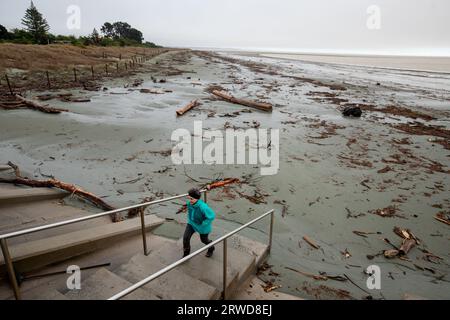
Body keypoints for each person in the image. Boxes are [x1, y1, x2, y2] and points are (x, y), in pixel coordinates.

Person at [183, 187, 216, 258]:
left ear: (197, 199)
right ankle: (186, 254)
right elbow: (190, 211)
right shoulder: (189, 204)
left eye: (191, 199)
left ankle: (211, 248)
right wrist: (190, 218)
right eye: (189, 198)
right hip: (191, 223)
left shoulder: (203, 207)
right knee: (186, 238)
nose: (189, 200)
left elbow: (212, 216)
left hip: (202, 226)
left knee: (204, 240)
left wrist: (204, 223)